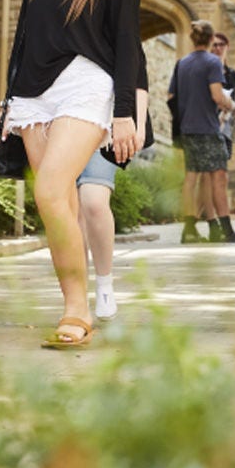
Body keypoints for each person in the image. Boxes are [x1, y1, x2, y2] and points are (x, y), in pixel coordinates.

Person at [0, 0, 145, 349]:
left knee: (53, 189)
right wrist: (7, 104)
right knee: (60, 204)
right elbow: (22, 44)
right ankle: (71, 301)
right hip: (34, 93)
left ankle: (79, 309)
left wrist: (123, 114)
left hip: (85, 82)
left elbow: (126, 47)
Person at [169, 20, 235, 245]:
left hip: (187, 128)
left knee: (191, 178)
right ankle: (227, 231)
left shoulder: (181, 64)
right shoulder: (212, 62)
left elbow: (171, 97)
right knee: (218, 178)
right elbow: (217, 95)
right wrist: (233, 106)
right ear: (211, 38)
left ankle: (189, 231)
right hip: (207, 127)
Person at [77, 86, 150, 321]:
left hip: (106, 123)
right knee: (72, 211)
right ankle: (76, 297)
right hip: (60, 118)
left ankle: (104, 283)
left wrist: (138, 124)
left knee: (93, 201)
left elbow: (137, 75)